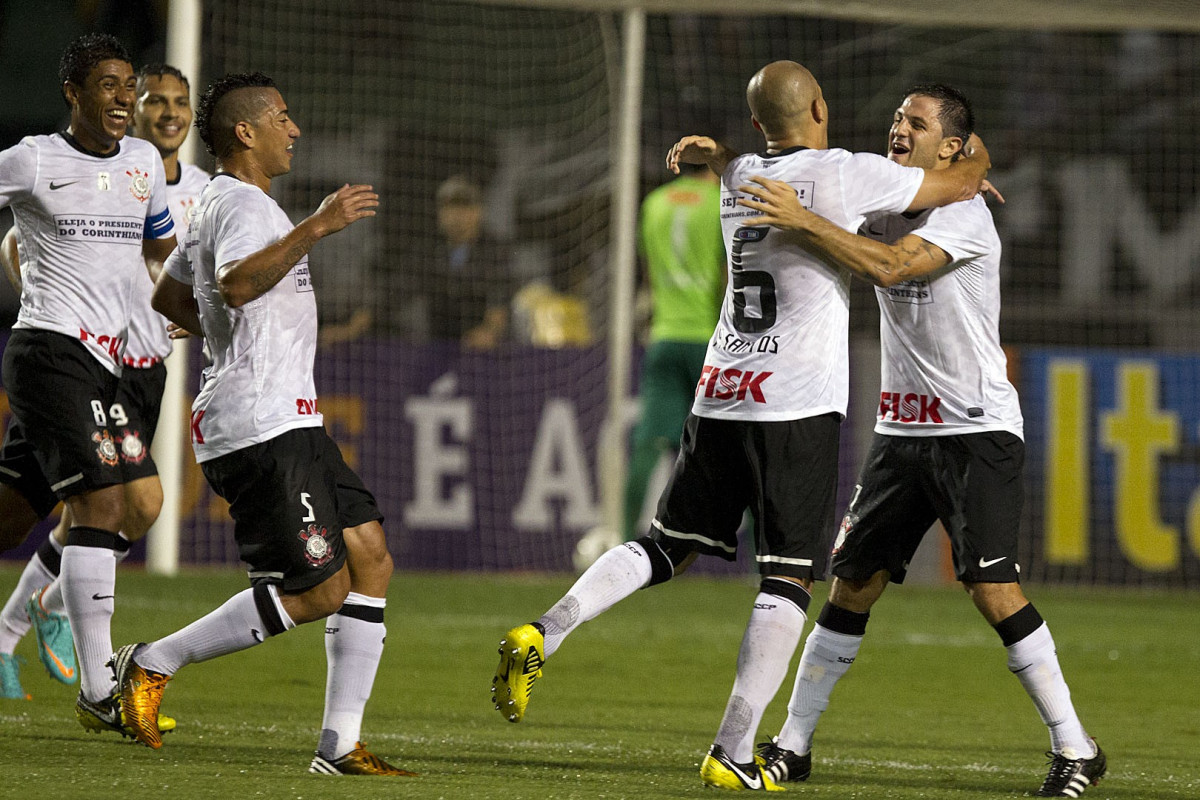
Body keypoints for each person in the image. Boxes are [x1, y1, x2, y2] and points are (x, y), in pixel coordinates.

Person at [491, 60, 992, 791]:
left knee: (665, 546)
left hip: (722, 387)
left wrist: (723, 154)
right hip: (794, 403)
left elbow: (747, 161)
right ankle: (731, 750)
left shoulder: (741, 177)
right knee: (788, 575)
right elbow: (963, 181)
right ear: (820, 104)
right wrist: (970, 154)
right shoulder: (850, 174)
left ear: (758, 126)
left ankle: (545, 630)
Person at [737, 84, 1106, 798]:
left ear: (949, 147)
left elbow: (892, 266)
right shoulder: (886, 196)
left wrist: (804, 219)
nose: (898, 128)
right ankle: (792, 744)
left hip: (975, 428)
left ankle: (1076, 746)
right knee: (852, 585)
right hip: (901, 432)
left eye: (917, 122)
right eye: (896, 118)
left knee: (993, 590)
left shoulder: (965, 214)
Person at [115, 71, 413, 777]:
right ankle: (154, 661)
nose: (295, 129)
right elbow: (240, 283)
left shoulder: (217, 201)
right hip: (260, 427)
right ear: (246, 133)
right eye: (282, 117)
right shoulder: (247, 207)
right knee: (318, 591)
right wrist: (319, 224)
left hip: (288, 418)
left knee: (370, 556)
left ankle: (339, 746)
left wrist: (218, 333)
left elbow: (170, 295)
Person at [0, 62, 209, 705]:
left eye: (179, 101)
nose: (162, 110)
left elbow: (160, 252)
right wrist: (36, 290)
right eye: (142, 95)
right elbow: (16, 241)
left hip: (129, 365)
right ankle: (87, 675)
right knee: (110, 503)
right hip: (57, 357)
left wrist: (185, 308)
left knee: (65, 507)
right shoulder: (38, 159)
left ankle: (42, 614)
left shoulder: (178, 179)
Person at [621, 164, 724, 543]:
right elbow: (730, 273)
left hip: (663, 336)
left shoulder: (655, 203)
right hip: (708, 341)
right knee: (734, 446)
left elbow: (649, 273)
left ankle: (621, 542)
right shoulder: (719, 202)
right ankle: (756, 560)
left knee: (649, 444)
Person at [424, 175, 514, 348]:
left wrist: (489, 331)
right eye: (451, 207)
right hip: (434, 345)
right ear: (440, 213)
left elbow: (501, 297)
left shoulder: (496, 250)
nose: (458, 215)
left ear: (479, 211)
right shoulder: (426, 250)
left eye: (465, 207)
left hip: (482, 348)